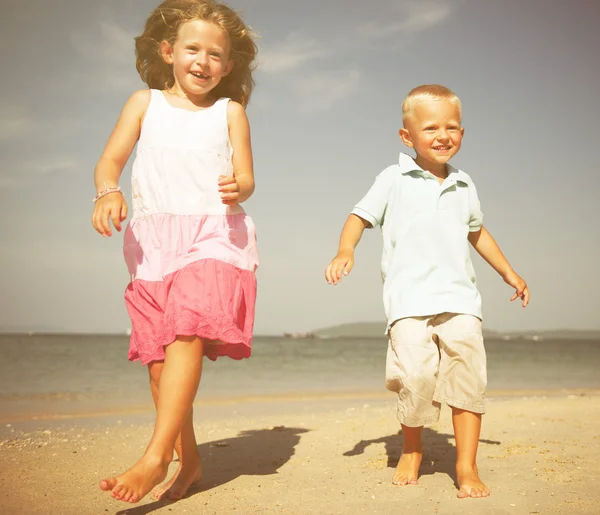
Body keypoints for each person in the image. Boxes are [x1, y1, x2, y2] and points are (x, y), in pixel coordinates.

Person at [324, 84, 529, 499]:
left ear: (462, 134)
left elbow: (477, 232)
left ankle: (466, 465)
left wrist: (509, 271)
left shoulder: (464, 183)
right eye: (431, 127)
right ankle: (413, 448)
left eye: (452, 126)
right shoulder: (393, 177)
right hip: (408, 301)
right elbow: (358, 217)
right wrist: (345, 250)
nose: (443, 135)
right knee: (415, 377)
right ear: (408, 137)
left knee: (468, 380)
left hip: (460, 300)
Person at [91, 0, 258, 504]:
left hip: (215, 236)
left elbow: (248, 177)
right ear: (168, 51)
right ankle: (190, 460)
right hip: (152, 243)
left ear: (228, 66)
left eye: (215, 54)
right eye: (192, 49)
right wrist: (108, 192)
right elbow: (110, 161)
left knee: (187, 327)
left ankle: (156, 456)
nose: (202, 61)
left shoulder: (231, 113)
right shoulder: (144, 104)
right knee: (160, 367)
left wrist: (239, 187)